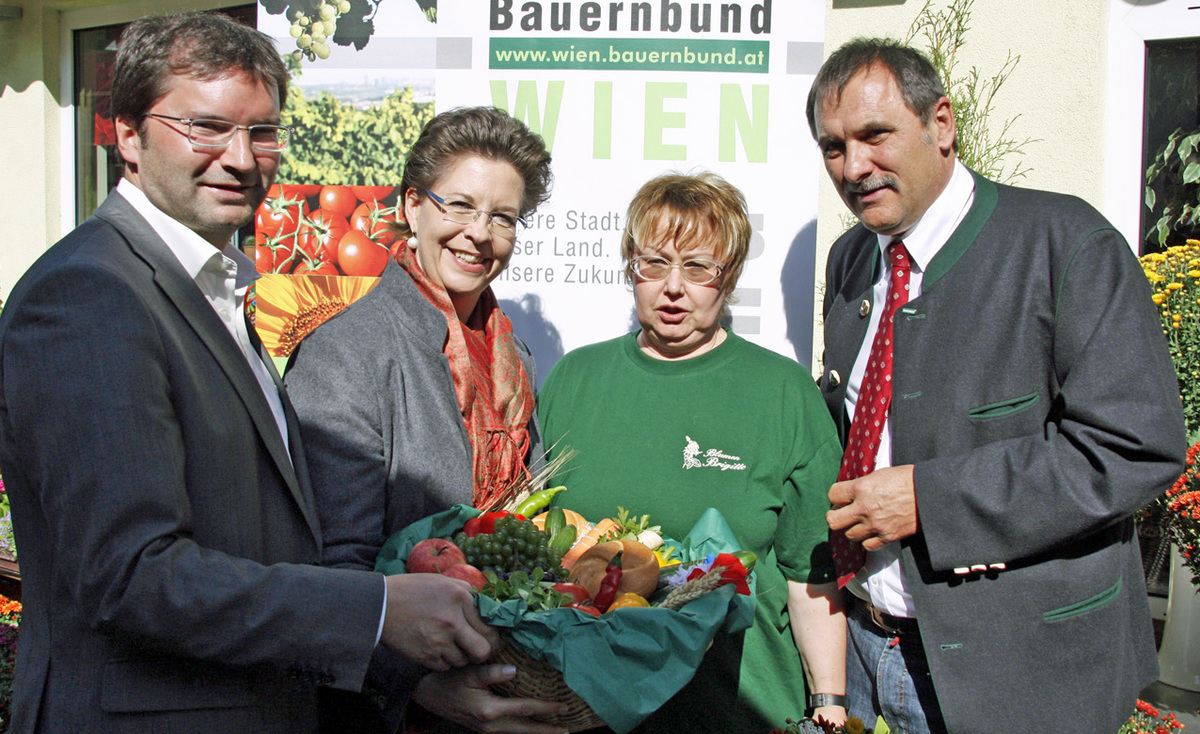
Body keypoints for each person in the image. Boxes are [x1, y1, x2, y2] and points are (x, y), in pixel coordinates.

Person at [0, 13, 499, 733]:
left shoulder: (211, 286)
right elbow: (130, 577)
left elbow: (263, 546)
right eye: (205, 127)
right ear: (128, 136)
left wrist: (398, 670)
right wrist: (378, 609)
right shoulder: (91, 294)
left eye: (261, 132)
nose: (240, 158)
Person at [808, 37, 1188, 734]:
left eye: (874, 135)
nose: (854, 166)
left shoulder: (1065, 241)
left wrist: (931, 499)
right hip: (866, 655)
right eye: (833, 147)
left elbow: (1136, 447)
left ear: (942, 124)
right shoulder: (852, 259)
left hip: (1022, 675)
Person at [536, 171, 847, 732]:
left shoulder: (783, 393)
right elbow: (538, 556)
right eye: (654, 263)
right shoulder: (573, 380)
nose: (672, 287)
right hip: (586, 710)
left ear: (727, 280)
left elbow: (811, 576)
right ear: (632, 266)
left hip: (734, 711)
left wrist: (829, 703)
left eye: (699, 267)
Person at [283, 106, 562, 733]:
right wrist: (420, 689)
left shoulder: (512, 355)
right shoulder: (347, 349)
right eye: (458, 205)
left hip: (506, 686)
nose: (479, 234)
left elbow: (529, 529)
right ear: (413, 206)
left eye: (502, 217)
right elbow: (330, 567)